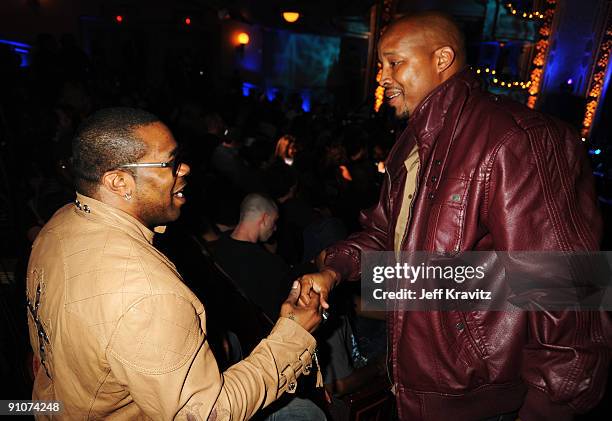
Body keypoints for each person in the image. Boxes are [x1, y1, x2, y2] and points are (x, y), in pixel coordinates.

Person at [297, 12, 610, 421]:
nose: (382, 77)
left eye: (394, 63)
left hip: (484, 401)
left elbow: (570, 292)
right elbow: (385, 235)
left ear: (442, 58)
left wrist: (547, 409)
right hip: (415, 384)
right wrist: (333, 270)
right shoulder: (413, 142)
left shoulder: (518, 137)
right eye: (380, 65)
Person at [26, 107, 322, 420]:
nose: (185, 170)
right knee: (305, 412)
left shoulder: (58, 224)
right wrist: (293, 335)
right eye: (171, 163)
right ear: (119, 182)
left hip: (62, 401)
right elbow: (207, 414)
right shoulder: (148, 294)